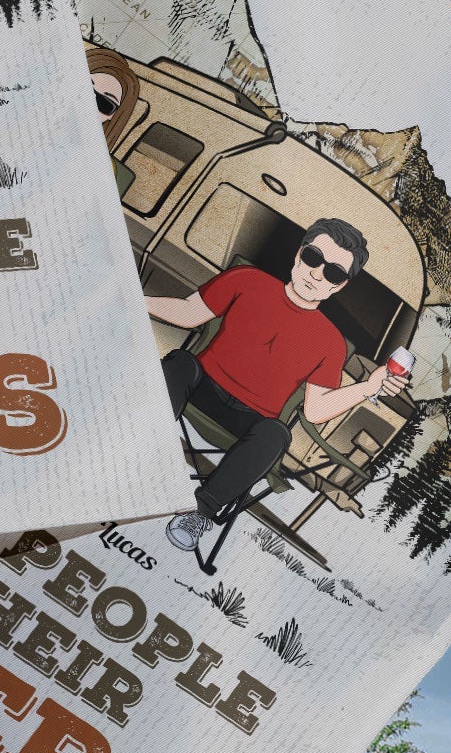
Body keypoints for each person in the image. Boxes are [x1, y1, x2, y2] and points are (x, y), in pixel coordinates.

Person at [146, 218, 409, 559]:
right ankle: (138, 452)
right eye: (314, 258)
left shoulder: (331, 342)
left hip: (251, 420)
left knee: (276, 434)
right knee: (180, 364)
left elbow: (314, 411)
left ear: (340, 286)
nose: (317, 274)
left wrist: (366, 388)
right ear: (299, 254)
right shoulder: (247, 280)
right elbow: (187, 313)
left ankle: (199, 514)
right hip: (202, 385)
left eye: (332, 273)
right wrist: (133, 298)